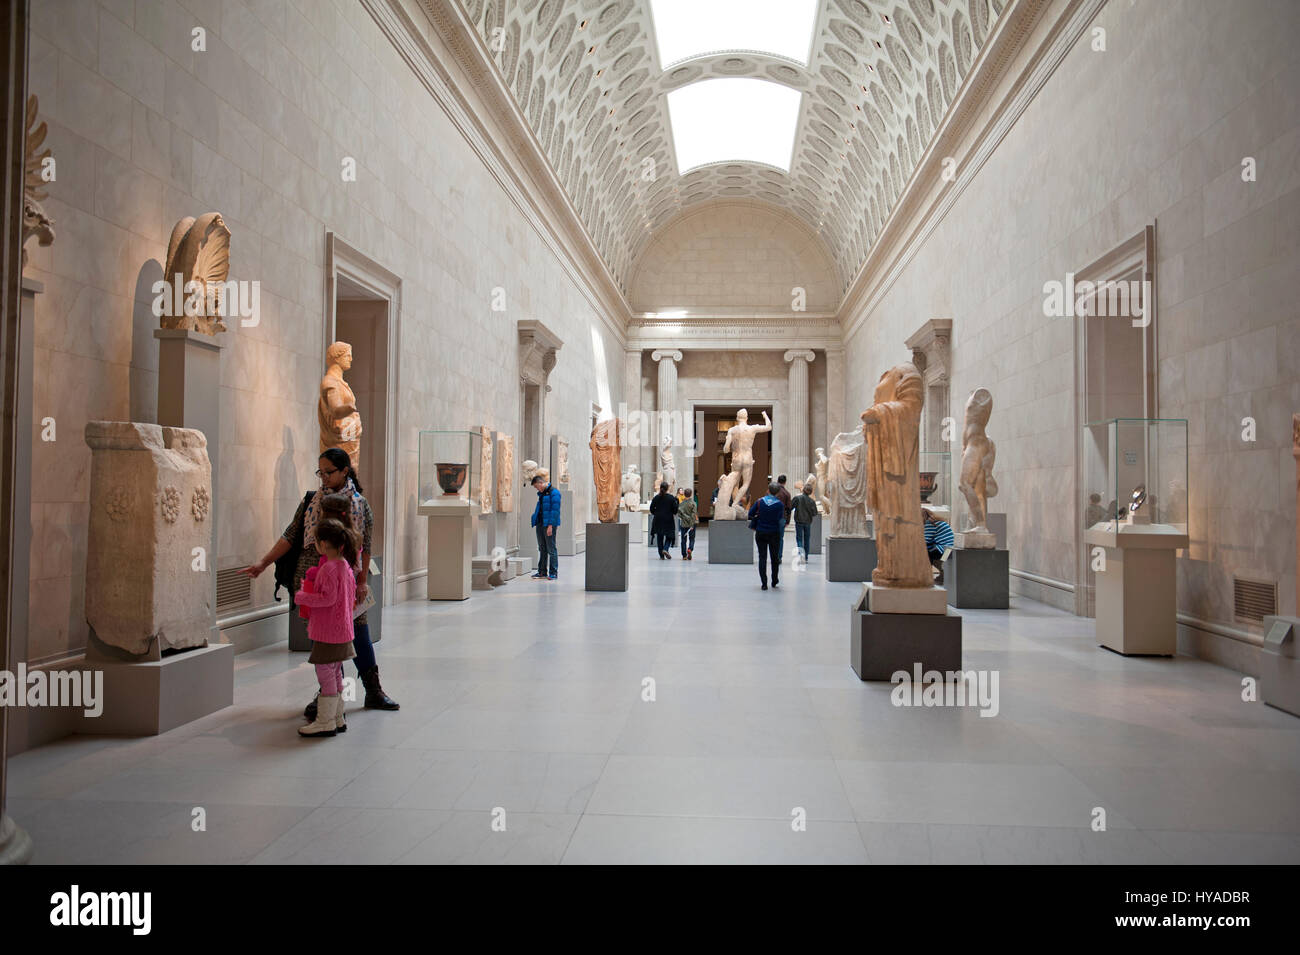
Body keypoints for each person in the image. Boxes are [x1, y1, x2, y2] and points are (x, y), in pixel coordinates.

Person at [245, 447, 400, 717]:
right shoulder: (311, 502)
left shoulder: (360, 505)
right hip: (313, 577)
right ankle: (328, 694)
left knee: (359, 633)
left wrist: (363, 582)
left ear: (344, 471)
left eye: (329, 472)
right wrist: (263, 563)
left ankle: (373, 691)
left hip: (347, 580)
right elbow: (290, 536)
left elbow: (364, 546)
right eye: (321, 472)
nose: (324, 477)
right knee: (325, 637)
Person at [292, 519, 358, 738]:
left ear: (321, 544)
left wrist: (303, 596)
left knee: (325, 672)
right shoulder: (345, 566)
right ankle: (337, 717)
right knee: (334, 671)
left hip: (328, 631)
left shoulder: (328, 568)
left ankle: (325, 721)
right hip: (342, 630)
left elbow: (327, 599)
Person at [748, 482, 786, 590]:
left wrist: (759, 516)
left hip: (761, 532)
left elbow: (750, 513)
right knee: (774, 558)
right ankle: (774, 580)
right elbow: (779, 518)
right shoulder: (779, 505)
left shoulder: (760, 501)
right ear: (778, 493)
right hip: (774, 533)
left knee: (762, 557)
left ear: (768, 490)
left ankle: (764, 583)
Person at [530, 469, 561, 580]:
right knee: (542, 548)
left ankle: (553, 572)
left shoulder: (555, 493)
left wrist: (550, 526)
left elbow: (555, 511)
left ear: (540, 483)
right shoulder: (542, 494)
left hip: (549, 525)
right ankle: (542, 572)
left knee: (551, 549)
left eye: (536, 486)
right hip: (540, 524)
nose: (536, 489)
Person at [922, 507, 955, 585]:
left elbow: (925, 541)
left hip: (945, 550)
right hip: (949, 549)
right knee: (929, 554)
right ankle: (943, 575)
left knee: (925, 555)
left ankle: (926, 576)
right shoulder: (936, 522)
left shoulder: (929, 523)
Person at [649, 481, 678, 559]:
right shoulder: (671, 498)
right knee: (669, 536)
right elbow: (675, 510)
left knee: (660, 537)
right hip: (668, 519)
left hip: (658, 520)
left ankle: (661, 555)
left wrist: (657, 513)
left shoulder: (656, 498)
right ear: (667, 488)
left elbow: (651, 509)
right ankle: (665, 548)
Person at [792, 482, 818, 558]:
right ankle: (806, 556)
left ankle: (801, 554)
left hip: (799, 521)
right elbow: (814, 513)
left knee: (799, 539)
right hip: (807, 522)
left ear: (803, 490)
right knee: (806, 539)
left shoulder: (797, 498)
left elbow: (790, 507)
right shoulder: (812, 501)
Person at [774, 474, 793, 561]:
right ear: (785, 482)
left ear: (778, 481)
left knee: (771, 537)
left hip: (772, 517)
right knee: (780, 538)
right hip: (782, 517)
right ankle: (779, 557)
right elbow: (789, 508)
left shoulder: (771, 492)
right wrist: (788, 521)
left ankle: (773, 555)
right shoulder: (787, 494)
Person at [677, 487, 698, 560]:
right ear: (691, 494)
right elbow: (694, 514)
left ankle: (684, 555)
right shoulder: (693, 503)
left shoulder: (681, 504)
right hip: (691, 524)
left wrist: (684, 517)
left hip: (683, 524)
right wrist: (691, 523)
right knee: (692, 538)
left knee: (683, 540)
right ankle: (690, 549)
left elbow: (679, 514)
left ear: (684, 494)